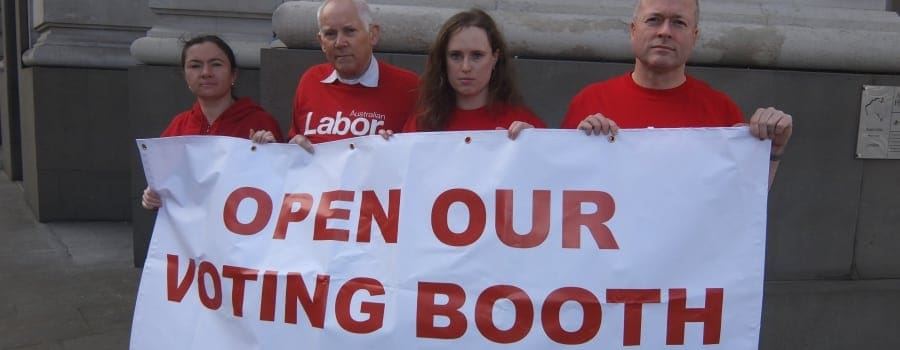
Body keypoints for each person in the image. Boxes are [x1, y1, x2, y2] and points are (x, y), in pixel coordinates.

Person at [560, 0, 793, 188]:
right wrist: (583, 150)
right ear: (633, 30)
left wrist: (772, 151)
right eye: (654, 20)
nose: (665, 32)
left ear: (694, 36)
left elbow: (743, 203)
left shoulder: (720, 110)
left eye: (678, 23)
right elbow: (561, 194)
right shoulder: (589, 102)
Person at [141, 34, 284, 210]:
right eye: (195, 66)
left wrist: (273, 153)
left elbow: (280, 186)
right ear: (185, 75)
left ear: (234, 74)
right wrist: (153, 197)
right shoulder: (179, 125)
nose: (206, 73)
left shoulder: (260, 122)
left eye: (216, 64)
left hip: (241, 232)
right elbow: (163, 183)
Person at [253, 0, 418, 151]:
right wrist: (288, 148)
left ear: (373, 34)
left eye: (350, 31)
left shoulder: (408, 87)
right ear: (321, 42)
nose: (340, 43)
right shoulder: (311, 81)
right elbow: (294, 140)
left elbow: (423, 156)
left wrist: (395, 149)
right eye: (331, 34)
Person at [397, 8, 545, 138]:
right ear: (443, 60)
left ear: (494, 58)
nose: (466, 67)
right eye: (456, 56)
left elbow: (549, 167)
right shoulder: (423, 122)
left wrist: (533, 144)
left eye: (477, 56)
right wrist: (385, 145)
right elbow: (401, 166)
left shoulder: (521, 125)